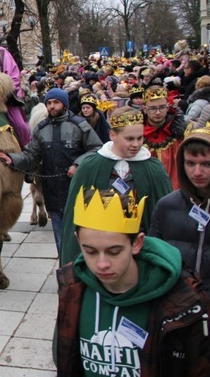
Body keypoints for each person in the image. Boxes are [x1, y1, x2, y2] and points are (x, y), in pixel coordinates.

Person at [53, 187, 210, 377]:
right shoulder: (73, 289)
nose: (101, 264)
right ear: (78, 241)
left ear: (137, 243)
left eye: (114, 251)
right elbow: (67, 374)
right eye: (90, 251)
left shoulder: (184, 304)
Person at [60, 107, 173, 266]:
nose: (136, 144)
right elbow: (74, 215)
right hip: (101, 250)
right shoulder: (90, 166)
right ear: (113, 135)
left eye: (140, 138)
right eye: (129, 138)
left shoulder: (153, 168)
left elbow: (163, 217)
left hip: (140, 250)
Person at [0, 87, 102, 254]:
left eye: (56, 102)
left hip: (77, 192)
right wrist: (13, 159)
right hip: (52, 193)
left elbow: (96, 148)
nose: (52, 106)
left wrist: (78, 164)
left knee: (82, 242)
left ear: (64, 104)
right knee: (61, 243)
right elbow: (31, 155)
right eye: (49, 103)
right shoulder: (41, 129)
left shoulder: (79, 125)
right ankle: (66, 275)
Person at [149, 124, 210, 304]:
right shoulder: (166, 206)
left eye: (207, 164)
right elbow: (154, 260)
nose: (197, 172)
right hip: (178, 309)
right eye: (190, 163)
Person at [142, 87, 186, 189]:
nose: (158, 112)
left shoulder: (181, 133)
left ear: (168, 107)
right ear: (145, 109)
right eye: (152, 108)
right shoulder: (137, 134)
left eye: (162, 107)